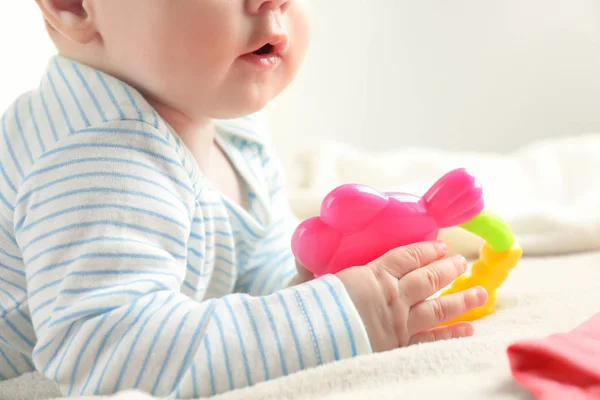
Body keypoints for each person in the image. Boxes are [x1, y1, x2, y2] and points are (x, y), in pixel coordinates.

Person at [0, 0, 488, 397]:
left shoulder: (229, 128)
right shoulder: (95, 158)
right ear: (73, 6)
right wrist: (339, 316)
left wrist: (325, 276)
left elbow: (253, 276)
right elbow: (112, 355)